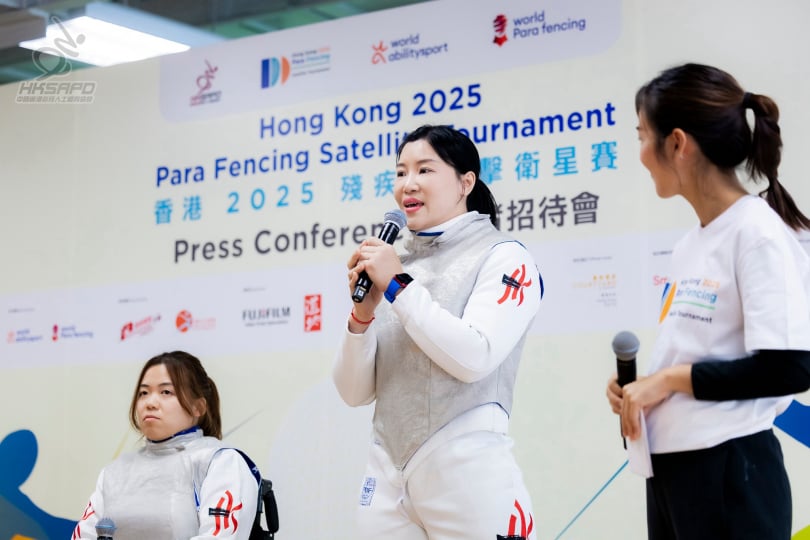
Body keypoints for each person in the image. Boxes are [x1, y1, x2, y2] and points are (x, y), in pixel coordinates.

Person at [606, 63, 810, 539]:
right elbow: (705, 352)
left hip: (731, 471)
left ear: (677, 143)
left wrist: (669, 380)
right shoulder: (692, 243)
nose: (640, 154)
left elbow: (790, 367)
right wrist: (641, 386)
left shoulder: (756, 233)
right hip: (673, 470)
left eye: (642, 136)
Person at [333, 124, 543, 540]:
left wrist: (398, 286)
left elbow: (475, 357)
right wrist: (361, 316)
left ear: (466, 182)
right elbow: (354, 393)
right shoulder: (397, 267)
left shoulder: (504, 256)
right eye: (400, 172)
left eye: (424, 170)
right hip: (385, 471)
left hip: (468, 469)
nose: (408, 184)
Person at [71, 351, 260, 540]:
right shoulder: (114, 472)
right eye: (143, 393)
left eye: (166, 392)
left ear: (198, 407)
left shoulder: (220, 462)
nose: (150, 403)